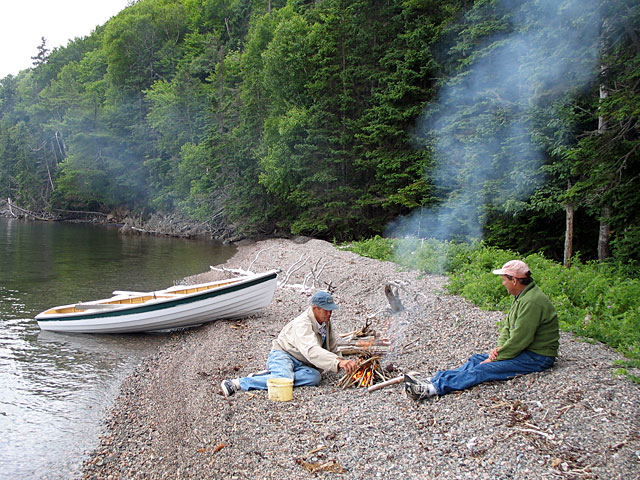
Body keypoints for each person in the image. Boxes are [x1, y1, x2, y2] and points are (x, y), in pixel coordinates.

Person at [404, 260, 559, 401]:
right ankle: (436, 379)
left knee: (483, 369)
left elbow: (521, 338)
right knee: (476, 359)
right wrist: (498, 349)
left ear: (515, 280)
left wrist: (494, 359)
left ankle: (432, 389)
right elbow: (508, 327)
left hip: (538, 357)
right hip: (525, 350)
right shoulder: (522, 296)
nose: (503, 284)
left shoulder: (532, 302)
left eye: (505, 279)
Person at [220, 290, 358, 397]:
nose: (330, 313)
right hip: (284, 354)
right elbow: (311, 350)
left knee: (314, 378)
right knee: (285, 380)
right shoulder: (302, 323)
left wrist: (342, 362)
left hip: (302, 361)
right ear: (315, 308)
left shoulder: (325, 322)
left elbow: (332, 346)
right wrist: (336, 363)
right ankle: (239, 383)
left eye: (331, 309)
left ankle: (273, 375)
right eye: (326, 310)